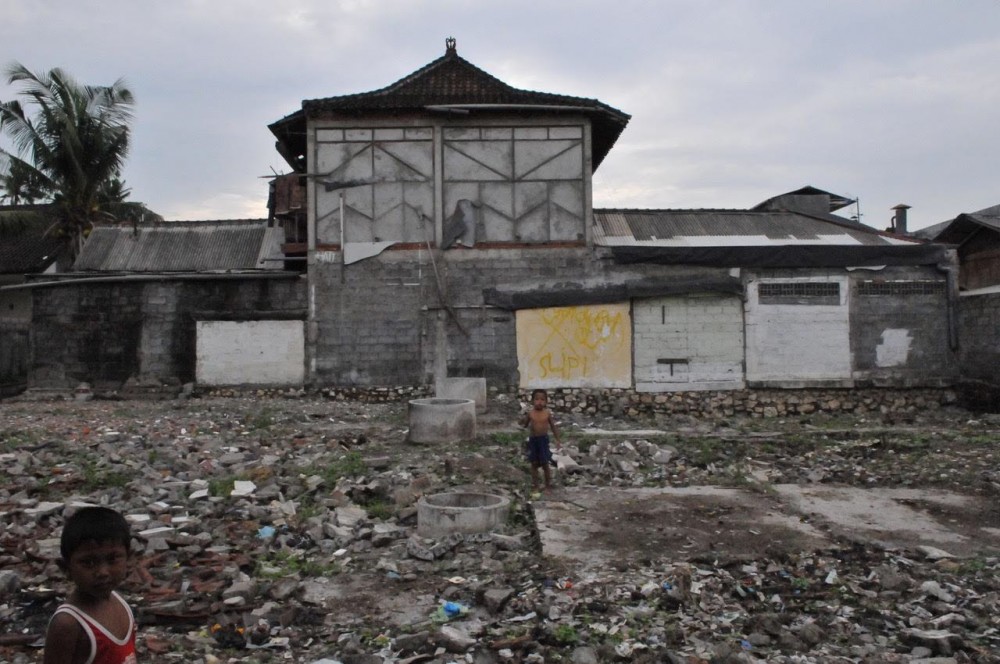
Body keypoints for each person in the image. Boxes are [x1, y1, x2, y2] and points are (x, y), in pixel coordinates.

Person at [44, 506, 138, 664]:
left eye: (112, 559)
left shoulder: (120, 604)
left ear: (129, 558)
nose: (102, 572)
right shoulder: (68, 624)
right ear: (66, 568)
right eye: (88, 562)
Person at [520, 388, 562, 492]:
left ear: (546, 402)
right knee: (534, 464)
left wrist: (557, 440)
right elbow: (524, 425)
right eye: (537, 399)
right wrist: (521, 422)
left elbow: (553, 427)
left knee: (545, 463)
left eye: (542, 399)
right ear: (533, 401)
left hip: (543, 441)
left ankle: (547, 485)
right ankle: (535, 485)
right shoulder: (531, 413)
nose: (539, 402)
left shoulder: (547, 413)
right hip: (533, 441)